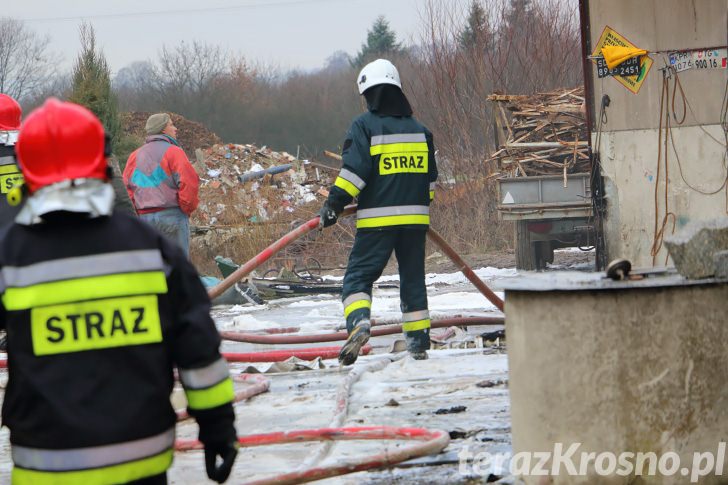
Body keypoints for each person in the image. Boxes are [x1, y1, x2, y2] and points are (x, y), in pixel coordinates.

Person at [0, 98, 238, 484]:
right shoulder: (152, 251)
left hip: (48, 466)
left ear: (27, 170)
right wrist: (219, 430)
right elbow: (198, 351)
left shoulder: (10, 258)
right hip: (141, 461)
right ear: (101, 164)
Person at [319, 59, 438, 365]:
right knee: (413, 281)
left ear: (370, 94)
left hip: (378, 223)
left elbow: (355, 173)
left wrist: (334, 204)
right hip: (415, 222)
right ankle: (419, 344)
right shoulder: (421, 131)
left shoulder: (364, 126)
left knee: (357, 278)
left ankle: (359, 322)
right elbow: (431, 185)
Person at [123, 113, 199, 257]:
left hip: (144, 221)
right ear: (163, 129)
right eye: (171, 124)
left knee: (151, 270)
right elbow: (189, 183)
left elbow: (127, 190)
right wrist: (186, 209)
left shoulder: (134, 156)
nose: (175, 128)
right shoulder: (175, 152)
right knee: (177, 271)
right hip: (172, 216)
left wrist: (136, 214)